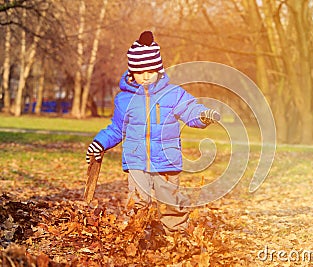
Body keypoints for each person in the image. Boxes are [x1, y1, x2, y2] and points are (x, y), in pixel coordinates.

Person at [85, 31, 219, 234]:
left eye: (150, 70)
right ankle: (134, 236)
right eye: (140, 72)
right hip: (136, 161)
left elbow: (190, 109)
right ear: (131, 73)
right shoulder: (124, 99)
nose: (146, 76)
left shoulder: (173, 94)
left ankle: (175, 236)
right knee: (137, 201)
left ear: (159, 69)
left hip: (166, 161)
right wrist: (100, 143)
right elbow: (116, 128)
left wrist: (202, 116)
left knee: (170, 202)